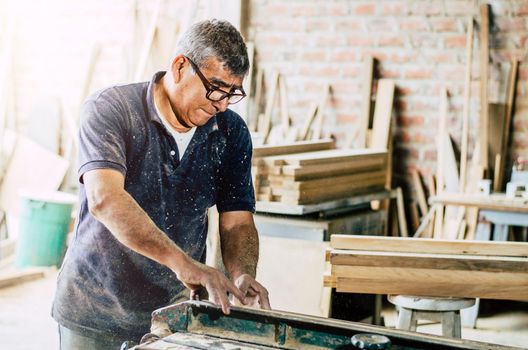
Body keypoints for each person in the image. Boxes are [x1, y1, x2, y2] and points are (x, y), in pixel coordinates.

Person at [52, 19, 270, 349]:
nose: (222, 104)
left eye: (232, 92)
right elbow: (104, 199)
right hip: (95, 307)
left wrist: (242, 272)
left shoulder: (230, 132)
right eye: (215, 87)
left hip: (174, 311)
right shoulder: (111, 110)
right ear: (180, 66)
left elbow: (237, 222)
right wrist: (185, 264)